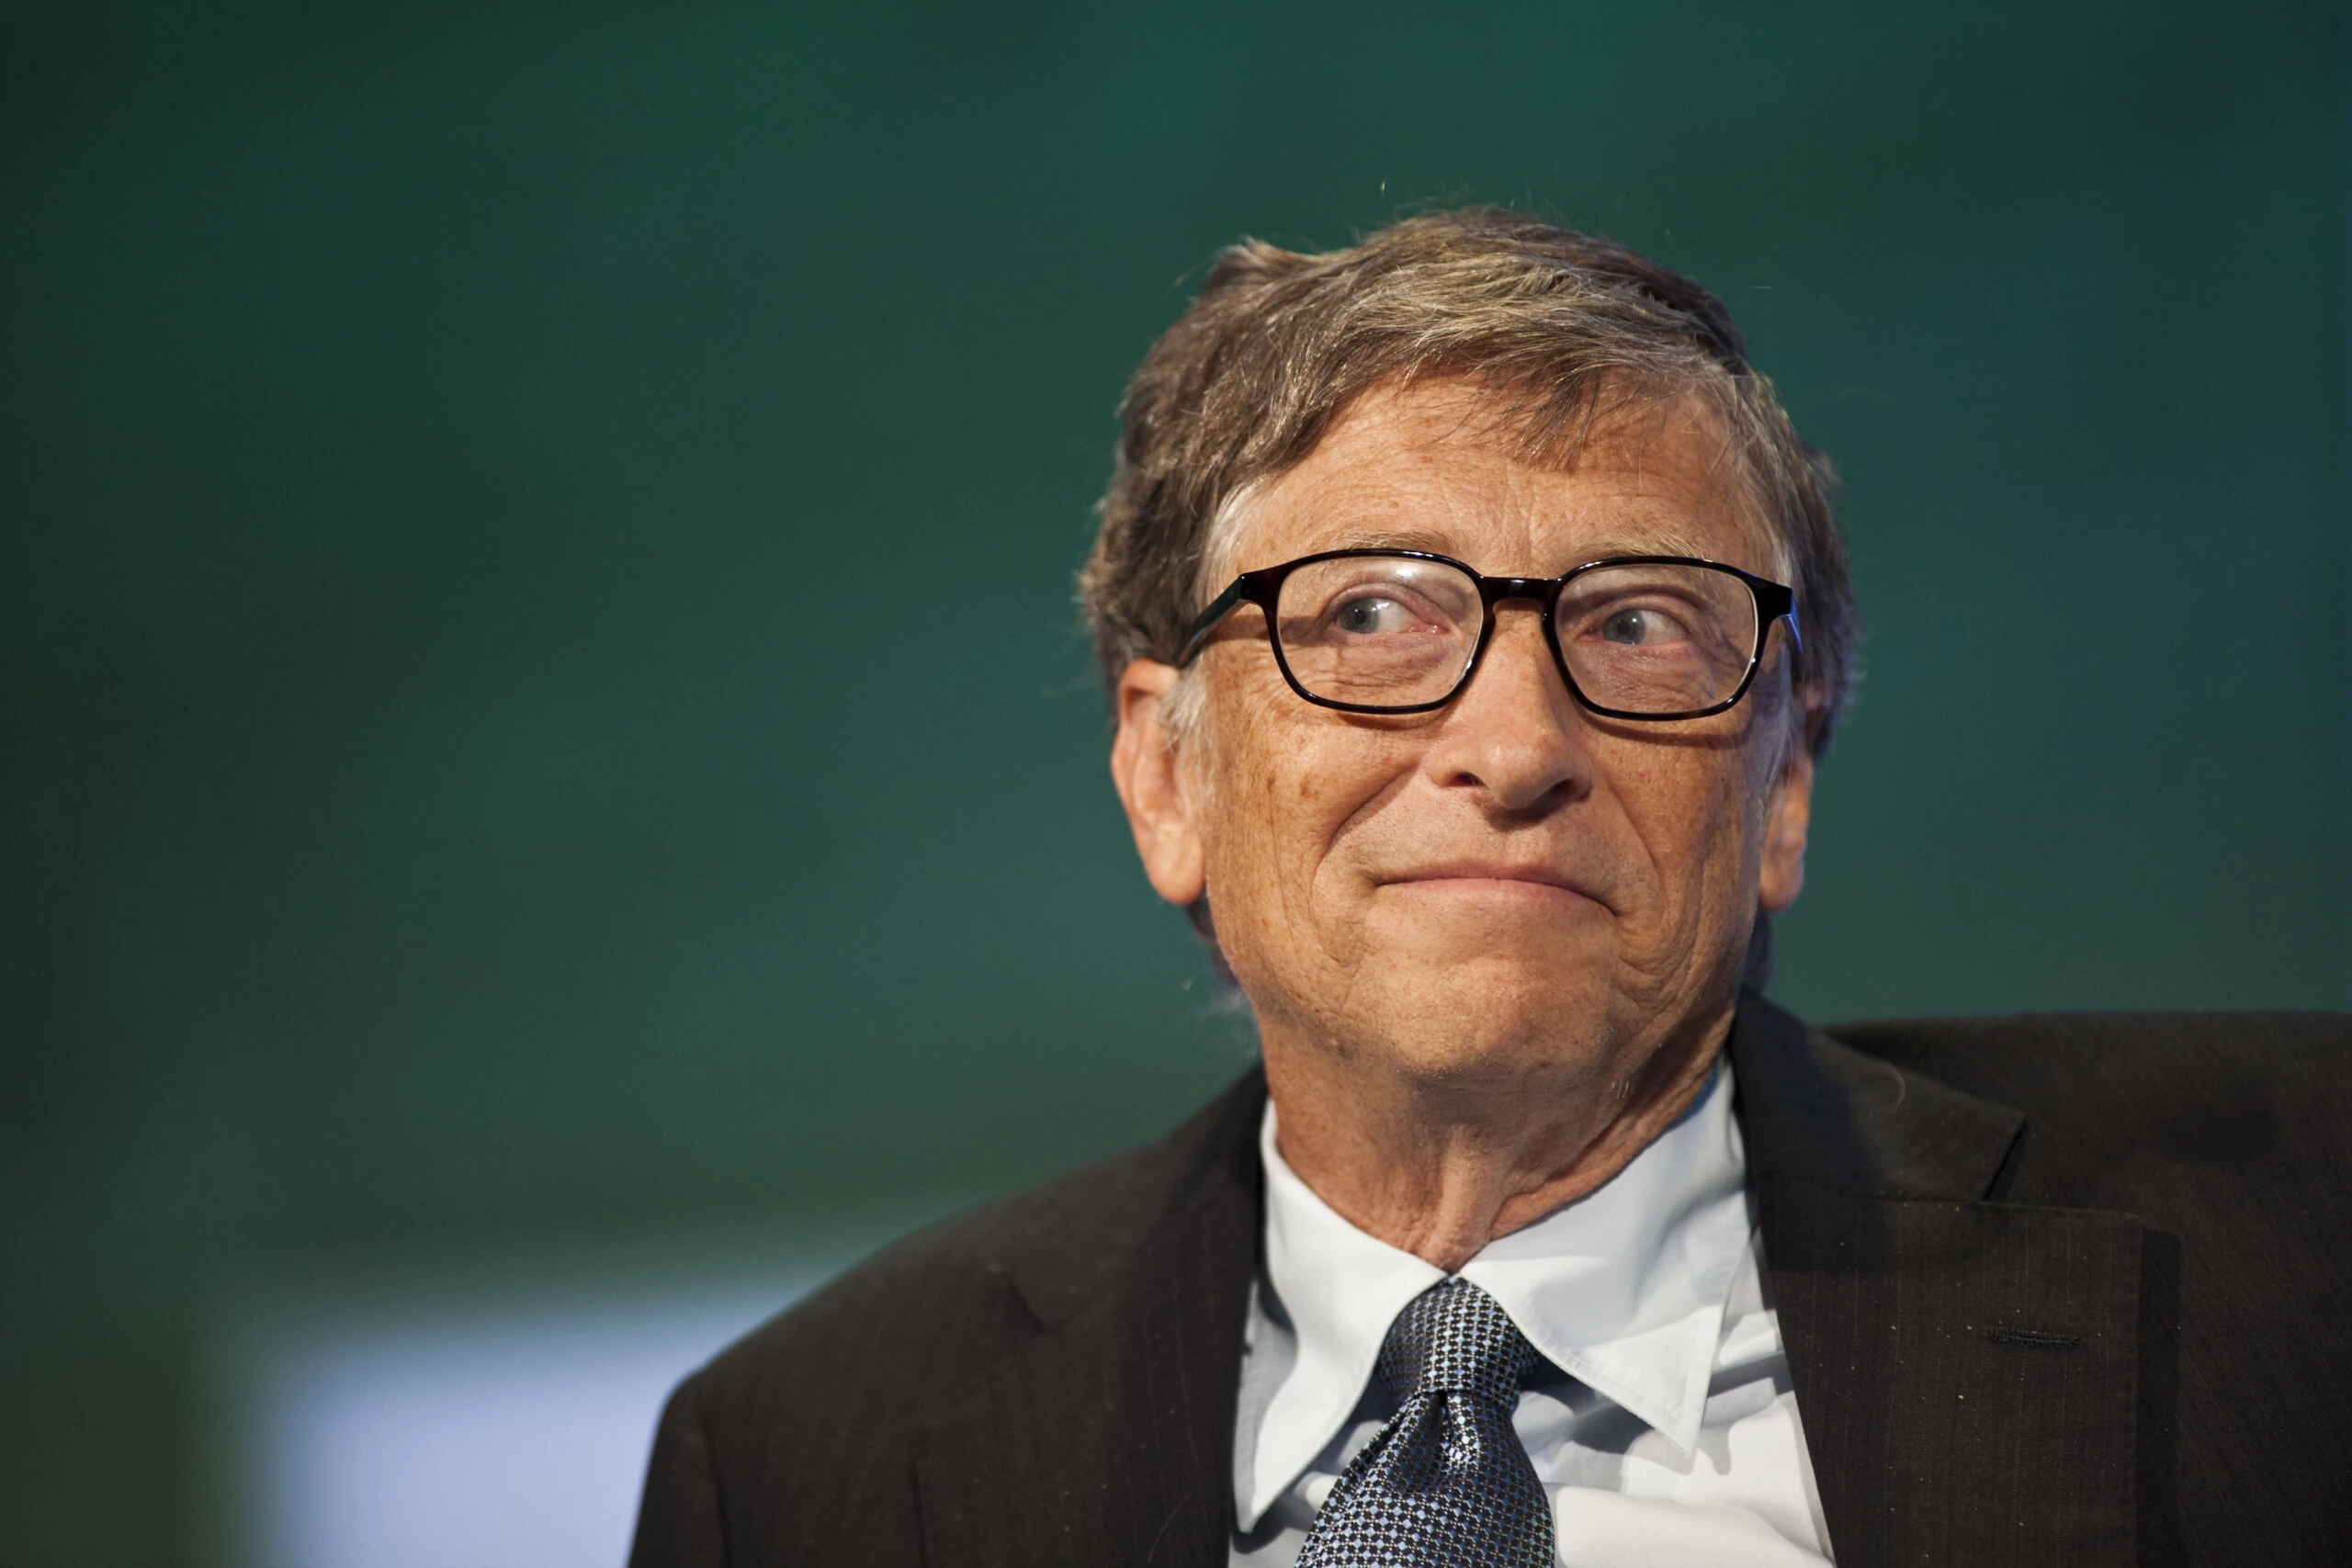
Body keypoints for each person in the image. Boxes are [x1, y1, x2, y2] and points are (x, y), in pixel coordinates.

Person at [628, 209, 2350, 1567]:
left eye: (1638, 622)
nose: (1514, 743)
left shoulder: (2294, 1245)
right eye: (1371, 616)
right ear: (1171, 775)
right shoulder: (800, 1463)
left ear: (1783, 786)